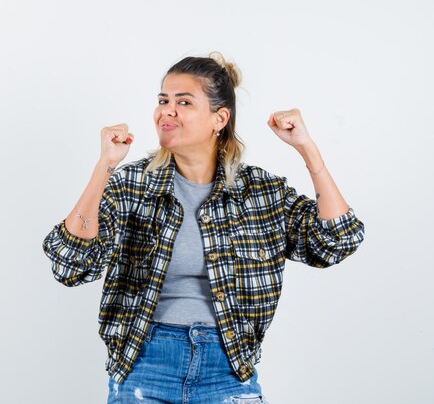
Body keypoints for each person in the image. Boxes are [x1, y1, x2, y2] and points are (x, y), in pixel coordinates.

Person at [42, 52, 365, 404]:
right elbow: (71, 263)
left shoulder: (260, 193)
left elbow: (338, 239)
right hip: (146, 366)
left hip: (227, 370)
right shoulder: (134, 184)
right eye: (163, 100)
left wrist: (308, 149)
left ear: (219, 119)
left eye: (184, 102)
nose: (168, 110)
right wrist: (104, 166)